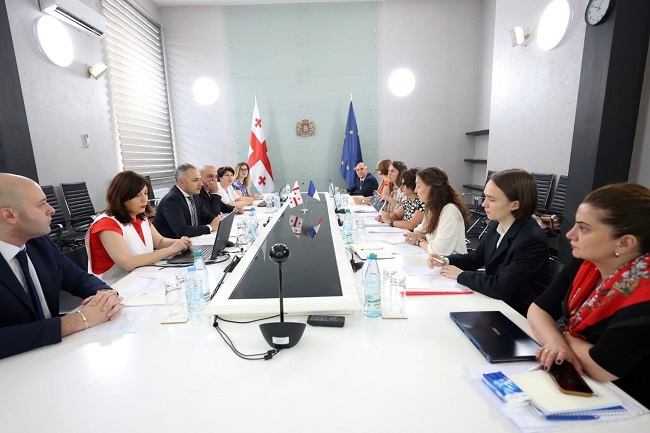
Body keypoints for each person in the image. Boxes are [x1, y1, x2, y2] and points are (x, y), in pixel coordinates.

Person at [527, 183, 650, 408]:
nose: (570, 234)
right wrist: (556, 343)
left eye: (583, 228)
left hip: (627, 403)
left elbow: (602, 368)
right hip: (580, 382)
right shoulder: (586, 263)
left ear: (624, 243)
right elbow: (538, 310)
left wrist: (562, 337)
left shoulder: (644, 296)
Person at [0, 173, 123, 359]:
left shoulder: (39, 242)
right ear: (9, 215)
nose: (51, 210)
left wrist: (106, 296)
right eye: (41, 204)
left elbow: (78, 278)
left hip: (55, 354)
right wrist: (78, 320)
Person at [427, 168, 550, 317]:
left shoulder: (531, 239)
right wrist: (446, 260)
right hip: (496, 303)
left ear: (515, 204)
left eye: (492, 199)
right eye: (485, 197)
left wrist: (461, 275)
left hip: (518, 315)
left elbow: (501, 287)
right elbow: (475, 259)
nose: (484, 204)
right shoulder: (496, 225)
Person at [87, 171, 193, 285]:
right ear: (121, 197)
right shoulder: (106, 224)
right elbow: (128, 263)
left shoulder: (139, 216)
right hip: (115, 286)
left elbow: (160, 242)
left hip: (141, 278)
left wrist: (180, 243)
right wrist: (171, 249)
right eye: (137, 195)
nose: (144, 199)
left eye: (146, 193)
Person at [404, 167, 469, 255]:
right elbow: (422, 228)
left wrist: (419, 241)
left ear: (432, 188)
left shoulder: (449, 211)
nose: (415, 190)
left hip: (450, 262)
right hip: (433, 259)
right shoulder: (431, 207)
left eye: (418, 186)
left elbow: (439, 250)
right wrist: (416, 234)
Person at [153, 164, 221, 238]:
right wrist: (210, 227)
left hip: (192, 240)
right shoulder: (172, 200)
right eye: (195, 180)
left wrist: (218, 220)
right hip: (173, 243)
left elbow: (207, 216)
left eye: (200, 179)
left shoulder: (194, 195)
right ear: (182, 182)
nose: (201, 184)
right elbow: (182, 231)